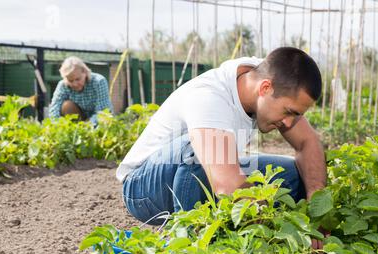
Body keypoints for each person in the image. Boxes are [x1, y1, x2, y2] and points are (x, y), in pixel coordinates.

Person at [116, 47, 327, 234]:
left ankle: (222, 233)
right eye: (288, 112)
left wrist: (316, 208)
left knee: (294, 174)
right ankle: (190, 243)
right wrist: (279, 230)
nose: (289, 123)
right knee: (200, 150)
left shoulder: (264, 77)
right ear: (265, 89)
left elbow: (308, 143)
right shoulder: (210, 97)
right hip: (143, 188)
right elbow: (227, 185)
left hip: (207, 174)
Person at [48, 56, 113, 126]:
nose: (75, 84)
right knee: (66, 106)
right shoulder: (63, 85)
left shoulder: (99, 82)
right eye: (70, 80)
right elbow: (54, 107)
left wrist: (87, 125)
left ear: (85, 72)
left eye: (78, 79)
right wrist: (57, 125)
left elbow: (102, 112)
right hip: (79, 118)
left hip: (97, 120)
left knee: (103, 118)